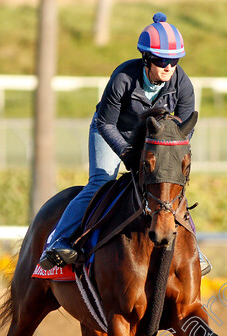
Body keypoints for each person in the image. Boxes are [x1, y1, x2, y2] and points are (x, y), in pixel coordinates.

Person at [39, 13, 209, 275]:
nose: (168, 67)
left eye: (174, 61)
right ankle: (58, 240)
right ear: (146, 58)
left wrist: (168, 161)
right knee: (101, 182)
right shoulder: (123, 78)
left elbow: (185, 131)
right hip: (112, 129)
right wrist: (126, 151)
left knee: (170, 186)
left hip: (153, 139)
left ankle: (195, 252)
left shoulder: (183, 84)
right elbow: (106, 123)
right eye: (162, 60)